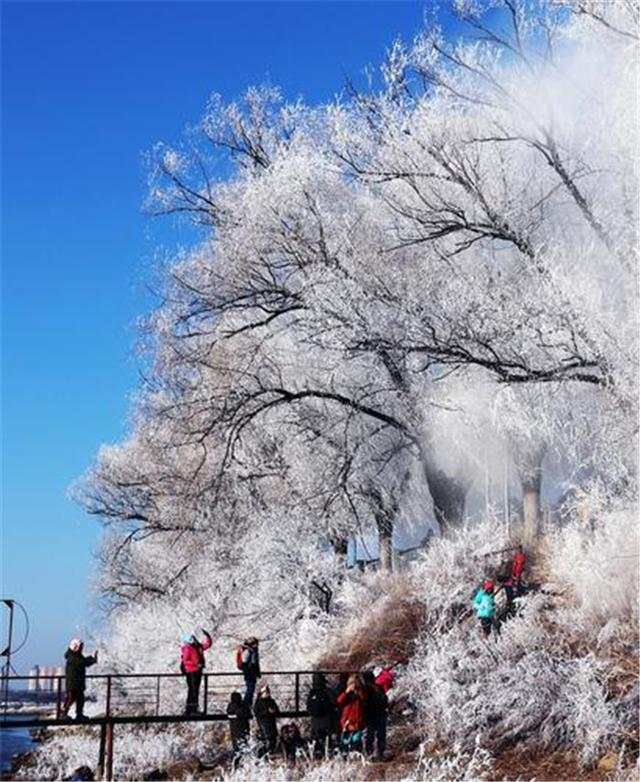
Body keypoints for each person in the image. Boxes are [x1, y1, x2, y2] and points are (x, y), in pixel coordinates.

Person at [61, 639, 98, 720]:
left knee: (80, 699)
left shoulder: (77, 655)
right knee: (71, 699)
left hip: (78, 682)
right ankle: (63, 714)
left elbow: (84, 662)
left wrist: (93, 659)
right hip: (73, 682)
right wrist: (92, 658)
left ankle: (79, 714)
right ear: (75, 646)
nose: (82, 648)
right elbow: (82, 662)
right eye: (80, 647)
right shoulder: (72, 656)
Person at [180, 628, 212, 715]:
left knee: (195, 690)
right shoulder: (187, 648)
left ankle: (192, 709)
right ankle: (191, 709)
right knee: (193, 690)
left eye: (193, 638)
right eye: (191, 639)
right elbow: (186, 661)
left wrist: (207, 636)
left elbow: (207, 645)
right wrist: (196, 665)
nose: (193, 640)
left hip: (197, 671)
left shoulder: (197, 646)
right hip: (191, 671)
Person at [306, 672, 336, 758]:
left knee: (316, 739)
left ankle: (316, 755)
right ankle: (327, 755)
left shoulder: (312, 693)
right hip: (326, 720)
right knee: (327, 740)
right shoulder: (327, 692)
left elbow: (308, 707)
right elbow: (334, 703)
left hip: (315, 721)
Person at [336, 673, 367, 754]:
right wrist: (347, 692)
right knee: (346, 745)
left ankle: (356, 758)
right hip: (347, 722)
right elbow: (339, 702)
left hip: (357, 722)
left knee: (356, 744)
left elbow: (365, 701)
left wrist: (359, 691)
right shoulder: (347, 694)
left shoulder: (362, 694)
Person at [363, 669, 389, 761]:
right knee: (380, 735)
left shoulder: (366, 689)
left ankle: (369, 754)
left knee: (370, 735)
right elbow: (385, 700)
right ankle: (380, 754)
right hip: (380, 714)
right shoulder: (378, 687)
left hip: (371, 715)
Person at [253, 683, 280, 757]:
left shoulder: (271, 701)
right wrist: (267, 712)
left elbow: (277, 711)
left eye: (268, 691)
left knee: (273, 740)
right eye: (266, 692)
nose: (268, 693)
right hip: (264, 724)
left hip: (271, 723)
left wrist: (273, 711)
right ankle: (262, 756)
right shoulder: (258, 702)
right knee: (267, 741)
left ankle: (269, 754)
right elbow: (257, 713)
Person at [226, 691, 251, 768]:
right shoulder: (233, 706)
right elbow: (241, 713)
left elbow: (246, 713)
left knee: (241, 748)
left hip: (240, 730)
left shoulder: (237, 705)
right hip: (238, 731)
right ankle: (237, 766)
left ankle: (239, 765)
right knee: (239, 749)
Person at [239, 637, 261, 708]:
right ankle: (246, 705)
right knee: (250, 690)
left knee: (251, 690)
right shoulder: (249, 652)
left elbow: (255, 663)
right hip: (250, 674)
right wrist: (252, 671)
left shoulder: (253, 651)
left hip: (251, 673)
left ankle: (248, 705)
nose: (257, 645)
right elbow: (247, 664)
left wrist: (257, 672)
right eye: (255, 644)